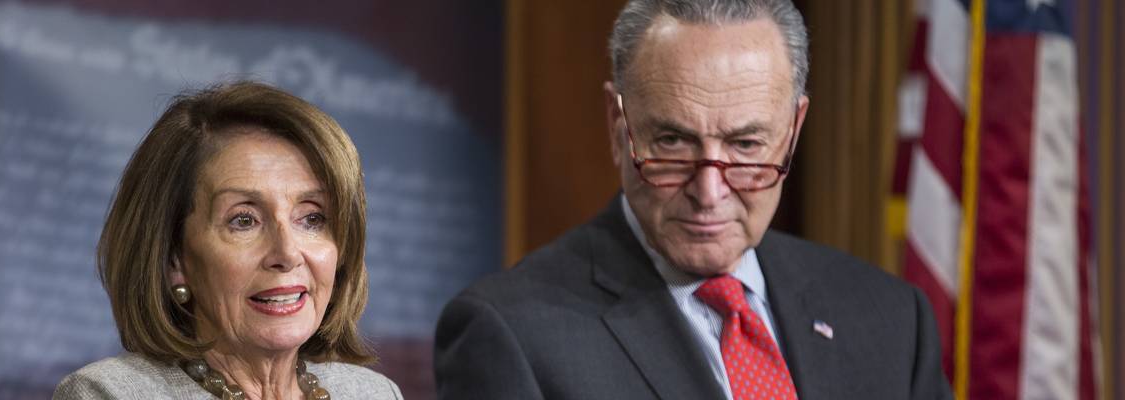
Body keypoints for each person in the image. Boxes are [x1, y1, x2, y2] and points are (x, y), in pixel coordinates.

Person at [434, 1, 952, 399]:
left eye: (746, 145)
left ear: (793, 130)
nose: (709, 192)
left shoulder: (891, 319)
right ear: (619, 127)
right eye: (672, 144)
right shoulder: (511, 334)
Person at [54, 82, 402, 400]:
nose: (286, 253)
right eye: (244, 220)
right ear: (174, 258)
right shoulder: (111, 394)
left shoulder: (374, 393)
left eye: (312, 218)